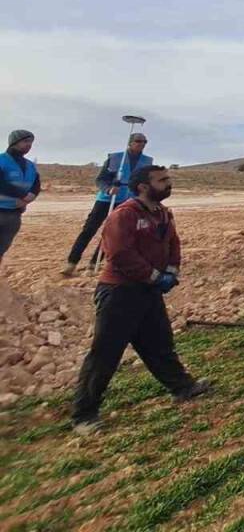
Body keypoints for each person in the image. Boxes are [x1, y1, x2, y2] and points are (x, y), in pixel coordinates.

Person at [70, 164, 210, 435]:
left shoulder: (163, 214)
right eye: (162, 180)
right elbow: (120, 254)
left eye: (168, 178)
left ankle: (182, 387)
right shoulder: (124, 215)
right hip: (120, 292)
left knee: (159, 343)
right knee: (105, 353)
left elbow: (173, 244)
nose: (168, 183)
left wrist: (172, 271)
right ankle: (84, 414)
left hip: (148, 291)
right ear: (144, 187)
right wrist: (154, 276)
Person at [63, 132, 153, 276]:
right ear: (130, 142)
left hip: (127, 201)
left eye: (144, 142)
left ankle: (94, 264)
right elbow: (100, 179)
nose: (141, 144)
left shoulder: (147, 162)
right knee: (89, 230)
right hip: (106, 200)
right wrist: (108, 188)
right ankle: (71, 263)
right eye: (138, 141)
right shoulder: (116, 158)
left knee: (112, 233)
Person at [0, 130, 41, 266]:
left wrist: (31, 196)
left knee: (1, 250)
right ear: (14, 142)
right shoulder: (2, 160)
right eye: (25, 141)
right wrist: (22, 195)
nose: (29, 145)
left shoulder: (30, 165)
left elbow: (36, 184)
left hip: (14, 214)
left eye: (31, 142)